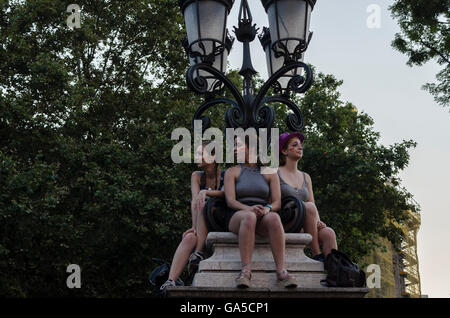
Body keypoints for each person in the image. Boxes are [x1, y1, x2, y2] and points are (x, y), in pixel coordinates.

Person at [223, 134, 297, 289]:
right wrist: (248, 208)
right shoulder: (232, 171)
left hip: (262, 212)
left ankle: (281, 271)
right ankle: (246, 271)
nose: (235, 149)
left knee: (275, 218)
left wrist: (267, 209)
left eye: (239, 145)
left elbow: (276, 202)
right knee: (249, 217)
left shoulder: (270, 172)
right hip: (238, 213)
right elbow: (230, 201)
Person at [159, 141, 225, 294]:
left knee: (204, 201)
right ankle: (171, 281)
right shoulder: (196, 176)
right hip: (201, 222)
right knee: (188, 238)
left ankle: (199, 251)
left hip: (218, 221)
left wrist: (207, 193)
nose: (197, 157)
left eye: (201, 154)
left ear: (214, 156)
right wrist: (194, 228)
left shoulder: (225, 174)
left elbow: (227, 193)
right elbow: (195, 201)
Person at [278, 132, 338, 262]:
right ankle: (316, 253)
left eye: (301, 145)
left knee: (328, 233)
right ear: (284, 150)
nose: (300, 147)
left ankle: (334, 272)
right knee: (309, 207)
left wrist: (318, 221)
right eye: (295, 145)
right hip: (286, 221)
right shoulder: (275, 173)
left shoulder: (306, 177)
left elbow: (312, 203)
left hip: (306, 223)